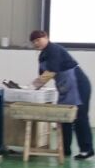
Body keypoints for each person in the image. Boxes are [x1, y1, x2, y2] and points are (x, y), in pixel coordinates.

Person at [30, 30, 93, 160]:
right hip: (65, 88)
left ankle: (87, 150)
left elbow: (51, 71)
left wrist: (35, 86)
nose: (36, 43)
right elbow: (42, 74)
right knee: (64, 118)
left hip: (78, 85)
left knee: (80, 117)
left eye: (38, 40)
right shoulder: (42, 55)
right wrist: (33, 86)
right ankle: (64, 149)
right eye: (33, 42)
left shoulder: (54, 49)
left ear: (46, 37)